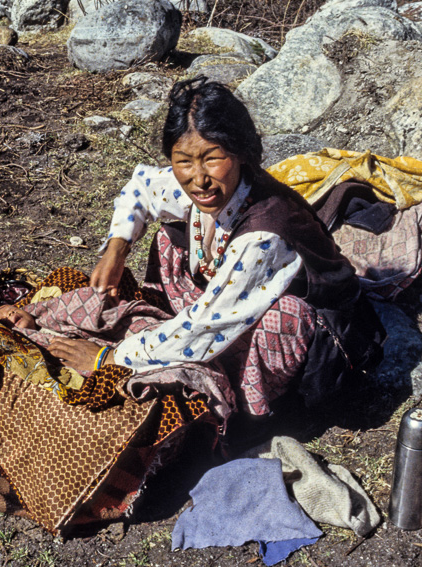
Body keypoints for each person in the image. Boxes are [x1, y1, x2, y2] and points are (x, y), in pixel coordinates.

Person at [45, 76, 384, 414]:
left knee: (284, 317)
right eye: (183, 161)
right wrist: (117, 248)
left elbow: (208, 324)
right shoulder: (211, 186)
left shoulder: (266, 231)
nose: (198, 178)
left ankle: (250, 408)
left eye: (212, 158)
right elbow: (143, 187)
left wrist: (111, 358)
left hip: (325, 346)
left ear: (239, 153)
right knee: (170, 239)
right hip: (222, 309)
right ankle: (173, 347)